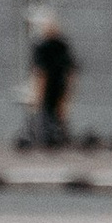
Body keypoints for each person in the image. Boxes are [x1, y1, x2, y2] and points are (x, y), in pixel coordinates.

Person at [23, 20, 77, 149]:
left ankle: (49, 136)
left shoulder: (56, 46)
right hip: (55, 84)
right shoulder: (57, 46)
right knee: (52, 113)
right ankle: (50, 136)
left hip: (54, 84)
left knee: (50, 112)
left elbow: (41, 71)